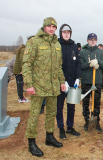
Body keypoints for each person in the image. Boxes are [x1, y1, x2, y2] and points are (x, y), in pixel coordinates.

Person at [22, 17, 66, 157]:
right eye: (49, 26)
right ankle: (31, 142)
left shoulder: (56, 44)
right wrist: (29, 85)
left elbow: (58, 66)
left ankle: (49, 136)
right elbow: (27, 64)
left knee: (51, 113)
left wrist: (61, 81)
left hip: (53, 87)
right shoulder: (34, 42)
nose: (51, 29)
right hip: (38, 86)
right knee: (34, 115)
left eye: (54, 27)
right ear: (44, 27)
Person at [56, 24, 81, 139]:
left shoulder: (74, 46)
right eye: (64, 32)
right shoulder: (57, 45)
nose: (66, 34)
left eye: (68, 32)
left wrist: (77, 78)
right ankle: (61, 128)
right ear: (61, 33)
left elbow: (78, 63)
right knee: (59, 107)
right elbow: (56, 65)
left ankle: (70, 127)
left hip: (72, 82)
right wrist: (63, 81)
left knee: (71, 106)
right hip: (60, 82)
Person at [80, 33, 103, 132]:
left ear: (96, 41)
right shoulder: (82, 51)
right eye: (91, 39)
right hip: (86, 82)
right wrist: (89, 64)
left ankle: (96, 122)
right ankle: (87, 121)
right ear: (87, 40)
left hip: (97, 82)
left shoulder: (101, 52)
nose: (93, 41)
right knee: (86, 103)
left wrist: (97, 62)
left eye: (94, 39)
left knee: (96, 103)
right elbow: (80, 66)